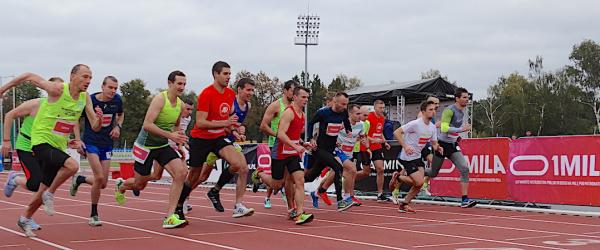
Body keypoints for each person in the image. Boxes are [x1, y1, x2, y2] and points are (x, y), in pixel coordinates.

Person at [0, 65, 103, 237]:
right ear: (72, 76)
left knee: (40, 190)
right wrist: (4, 88)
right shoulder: (56, 89)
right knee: (72, 166)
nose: (88, 81)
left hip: (58, 145)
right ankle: (50, 193)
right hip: (40, 141)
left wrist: (99, 120)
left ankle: (25, 218)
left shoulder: (85, 98)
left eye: (90, 78)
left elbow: (94, 125)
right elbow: (28, 75)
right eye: (85, 77)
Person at [176, 62, 254, 220]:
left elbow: (229, 118)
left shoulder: (230, 94)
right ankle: (179, 206)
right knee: (195, 176)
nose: (228, 77)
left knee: (238, 164)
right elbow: (201, 122)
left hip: (219, 137)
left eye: (229, 74)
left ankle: (215, 190)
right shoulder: (206, 94)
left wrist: (235, 129)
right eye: (225, 74)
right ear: (215, 74)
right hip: (201, 138)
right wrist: (226, 124)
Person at [114, 70, 189, 229]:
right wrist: (171, 135)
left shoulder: (181, 105)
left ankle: (170, 216)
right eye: (179, 83)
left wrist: (179, 143)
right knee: (140, 185)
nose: (182, 87)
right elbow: (147, 125)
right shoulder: (159, 100)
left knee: (181, 173)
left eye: (184, 84)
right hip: (145, 147)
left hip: (162, 145)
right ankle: (121, 185)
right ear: (170, 84)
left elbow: (176, 126)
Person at [2, 77, 64, 231]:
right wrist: (6, 140)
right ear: (48, 89)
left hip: (44, 147)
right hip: (27, 146)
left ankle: (28, 218)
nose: (60, 90)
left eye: (63, 88)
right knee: (35, 184)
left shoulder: (63, 109)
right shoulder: (36, 104)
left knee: (44, 185)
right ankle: (15, 179)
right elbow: (9, 115)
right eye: (56, 87)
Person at [254, 86, 315, 224]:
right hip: (280, 151)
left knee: (299, 180)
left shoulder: (303, 115)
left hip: (293, 153)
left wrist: (302, 143)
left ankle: (299, 213)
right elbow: (281, 133)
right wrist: (295, 145)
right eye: (303, 97)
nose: (306, 100)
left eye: (307, 98)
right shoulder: (289, 113)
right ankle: (259, 174)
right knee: (276, 185)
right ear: (295, 97)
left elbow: (293, 134)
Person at [69, 75, 124, 226]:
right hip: (91, 142)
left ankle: (80, 179)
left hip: (106, 143)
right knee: (99, 177)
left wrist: (117, 126)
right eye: (110, 87)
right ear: (102, 86)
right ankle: (93, 215)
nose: (113, 91)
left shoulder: (117, 100)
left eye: (115, 88)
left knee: (103, 183)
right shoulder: (91, 100)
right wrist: (78, 139)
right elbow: (76, 119)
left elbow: (120, 115)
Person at [426, 87, 477, 208]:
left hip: (453, 145)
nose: (467, 100)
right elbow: (444, 128)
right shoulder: (449, 110)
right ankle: (413, 171)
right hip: (442, 145)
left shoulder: (462, 111)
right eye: (464, 97)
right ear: (457, 98)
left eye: (468, 98)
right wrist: (461, 129)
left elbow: (452, 129)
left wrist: (457, 137)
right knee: (433, 173)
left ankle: (464, 200)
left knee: (464, 168)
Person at [304, 92, 354, 211]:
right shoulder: (323, 112)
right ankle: (340, 201)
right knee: (338, 168)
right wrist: (310, 139)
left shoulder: (343, 112)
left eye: (346, 104)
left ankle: (290, 182)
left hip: (330, 149)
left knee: (310, 177)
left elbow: (346, 120)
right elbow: (310, 124)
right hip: (319, 149)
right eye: (342, 104)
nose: (344, 106)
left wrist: (348, 130)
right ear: (334, 101)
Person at [390, 100, 441, 213]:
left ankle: (404, 204)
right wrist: (405, 146)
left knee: (419, 184)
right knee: (418, 182)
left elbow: (434, 143)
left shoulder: (432, 127)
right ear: (423, 111)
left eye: (434, 110)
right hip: (407, 157)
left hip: (417, 157)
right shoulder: (415, 124)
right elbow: (397, 132)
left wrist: (438, 147)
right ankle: (398, 178)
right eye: (430, 110)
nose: (433, 112)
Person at [311, 104, 365, 208]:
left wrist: (364, 142)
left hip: (349, 152)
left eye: (361, 114)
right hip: (337, 150)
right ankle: (346, 197)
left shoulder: (361, 125)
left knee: (337, 172)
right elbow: (327, 133)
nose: (360, 116)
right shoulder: (341, 122)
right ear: (350, 114)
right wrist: (333, 141)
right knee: (352, 169)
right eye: (357, 114)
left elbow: (363, 137)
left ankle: (319, 191)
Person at [257, 80, 297, 209]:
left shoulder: (295, 107)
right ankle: (259, 174)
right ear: (285, 91)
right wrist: (279, 135)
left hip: (291, 146)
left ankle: (292, 208)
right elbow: (263, 126)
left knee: (290, 178)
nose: (295, 94)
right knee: (278, 183)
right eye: (293, 91)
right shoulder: (276, 105)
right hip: (276, 145)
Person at [368, 100, 391, 202]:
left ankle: (380, 194)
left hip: (377, 147)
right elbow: (362, 133)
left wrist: (384, 141)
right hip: (366, 147)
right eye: (380, 108)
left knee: (380, 169)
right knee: (364, 172)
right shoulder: (369, 117)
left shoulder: (382, 118)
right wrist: (372, 140)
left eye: (383, 108)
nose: (382, 110)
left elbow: (380, 131)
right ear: (375, 108)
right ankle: (347, 185)